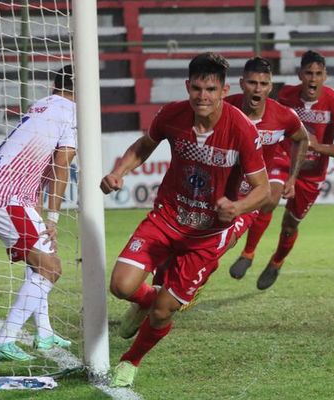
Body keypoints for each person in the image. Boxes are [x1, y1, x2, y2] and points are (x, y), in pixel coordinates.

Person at [100, 52, 270, 387]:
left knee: (165, 311)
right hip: (167, 217)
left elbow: (262, 190)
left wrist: (237, 208)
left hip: (208, 235)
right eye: (197, 88)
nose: (202, 96)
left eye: (210, 89)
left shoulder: (241, 129)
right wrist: (119, 171)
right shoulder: (172, 115)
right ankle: (146, 300)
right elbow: (145, 144)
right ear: (187, 87)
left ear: (223, 91)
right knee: (121, 286)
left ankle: (130, 361)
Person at [0, 65, 76, 361]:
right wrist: (54, 218)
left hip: (5, 192)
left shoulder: (42, 106)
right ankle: (4, 339)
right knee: (50, 268)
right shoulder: (71, 111)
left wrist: (40, 211)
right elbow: (61, 165)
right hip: (7, 196)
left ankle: (43, 333)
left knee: (40, 262)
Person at [253, 50, 334, 290]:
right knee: (269, 198)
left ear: (325, 76)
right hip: (283, 161)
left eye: (318, 74)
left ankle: (277, 261)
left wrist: (315, 145)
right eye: (309, 73)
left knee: (289, 225)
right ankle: (248, 253)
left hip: (312, 174)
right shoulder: (286, 94)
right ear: (300, 75)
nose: (313, 79)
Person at [224, 57, 309, 282]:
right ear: (242, 83)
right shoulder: (223, 109)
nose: (258, 89)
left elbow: (302, 139)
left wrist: (292, 178)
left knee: (271, 201)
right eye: (252, 83)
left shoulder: (282, 115)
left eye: (263, 84)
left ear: (270, 87)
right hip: (227, 180)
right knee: (217, 240)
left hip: (262, 178)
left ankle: (251, 253)